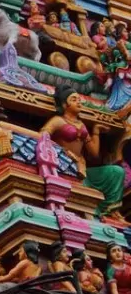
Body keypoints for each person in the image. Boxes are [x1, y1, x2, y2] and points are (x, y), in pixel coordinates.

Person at [42, 85, 125, 221]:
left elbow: (94, 154)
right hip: (63, 166)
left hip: (82, 167)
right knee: (84, 191)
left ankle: (110, 211)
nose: (79, 102)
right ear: (65, 104)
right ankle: (95, 214)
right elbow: (42, 137)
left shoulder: (81, 125)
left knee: (116, 172)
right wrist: (61, 152)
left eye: (79, 99)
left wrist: (96, 131)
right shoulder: (57, 121)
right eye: (74, 99)